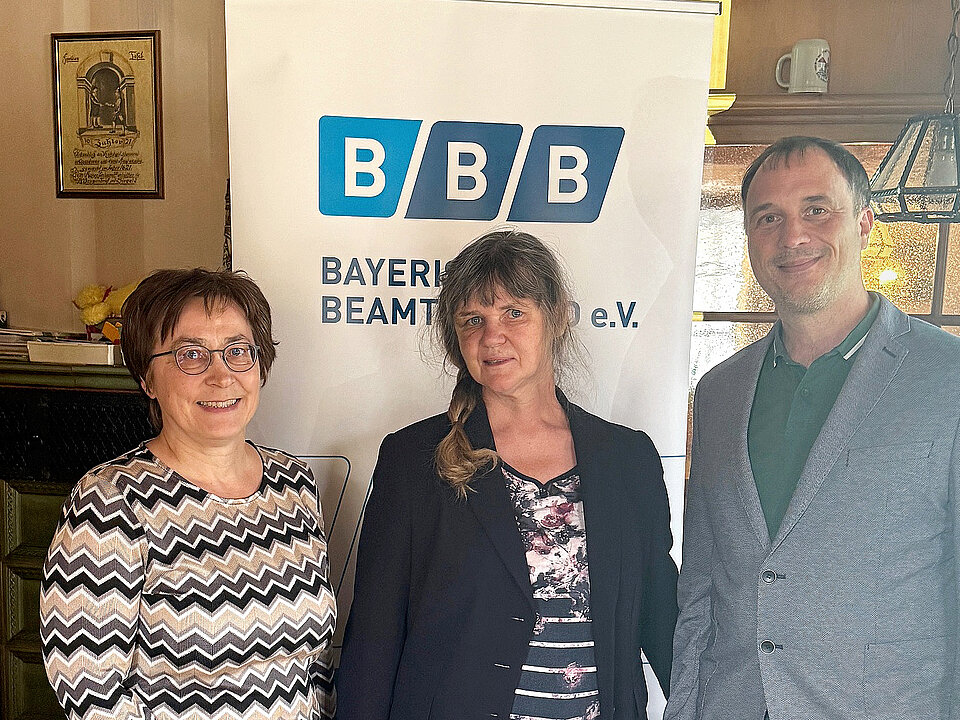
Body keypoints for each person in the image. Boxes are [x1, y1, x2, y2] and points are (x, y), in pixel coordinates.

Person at [664, 136, 960, 720]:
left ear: (865, 223)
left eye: (816, 210)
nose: (792, 236)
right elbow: (702, 587)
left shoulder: (946, 378)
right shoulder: (720, 393)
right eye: (768, 217)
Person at [336, 229, 678, 720]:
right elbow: (375, 635)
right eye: (473, 320)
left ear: (555, 317)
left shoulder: (628, 458)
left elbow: (660, 617)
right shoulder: (412, 459)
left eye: (514, 313)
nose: (492, 336)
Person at [40, 269, 337, 720]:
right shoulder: (109, 501)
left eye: (238, 351)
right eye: (190, 355)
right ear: (147, 379)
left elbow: (315, 668)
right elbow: (90, 690)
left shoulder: (294, 482)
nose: (221, 376)